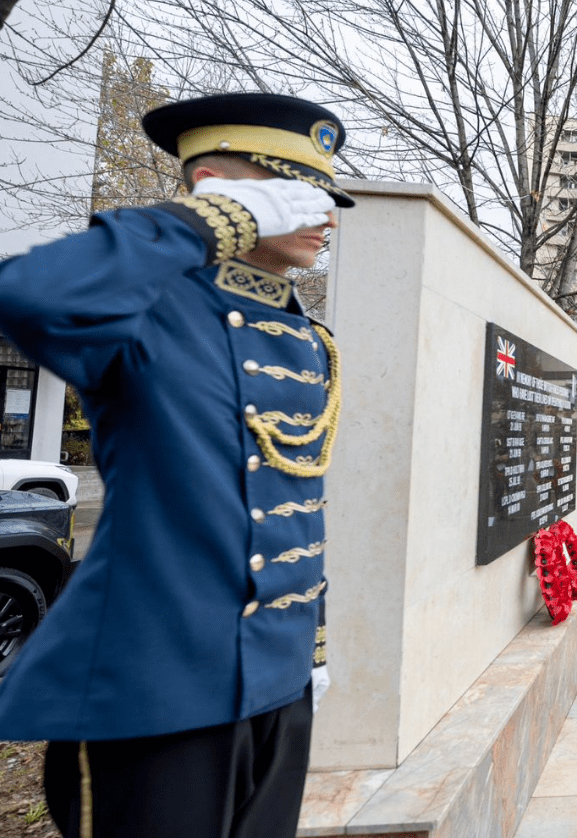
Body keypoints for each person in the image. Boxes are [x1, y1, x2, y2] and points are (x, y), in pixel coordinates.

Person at [0, 92, 352, 837]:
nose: (325, 213)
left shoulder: (303, 336)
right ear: (219, 187)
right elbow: (34, 294)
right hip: (156, 690)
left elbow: (291, 506)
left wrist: (305, 649)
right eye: (297, 192)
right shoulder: (148, 309)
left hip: (276, 683)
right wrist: (208, 224)